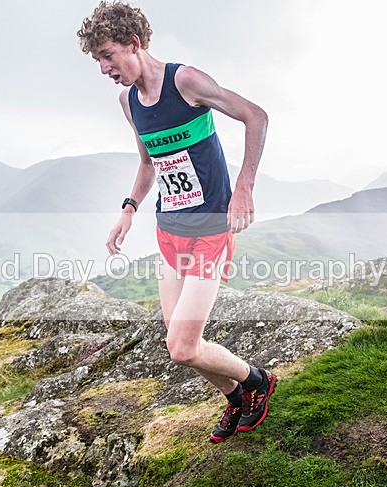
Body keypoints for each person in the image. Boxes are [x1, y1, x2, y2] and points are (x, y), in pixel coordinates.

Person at [78, 1, 274, 443]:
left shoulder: (185, 81)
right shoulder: (129, 101)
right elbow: (150, 162)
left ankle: (257, 382)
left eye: (108, 56)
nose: (104, 68)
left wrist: (244, 187)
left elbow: (255, 116)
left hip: (209, 232)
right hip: (170, 232)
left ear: (134, 43)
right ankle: (236, 395)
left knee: (182, 346)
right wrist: (128, 209)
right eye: (98, 61)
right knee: (180, 349)